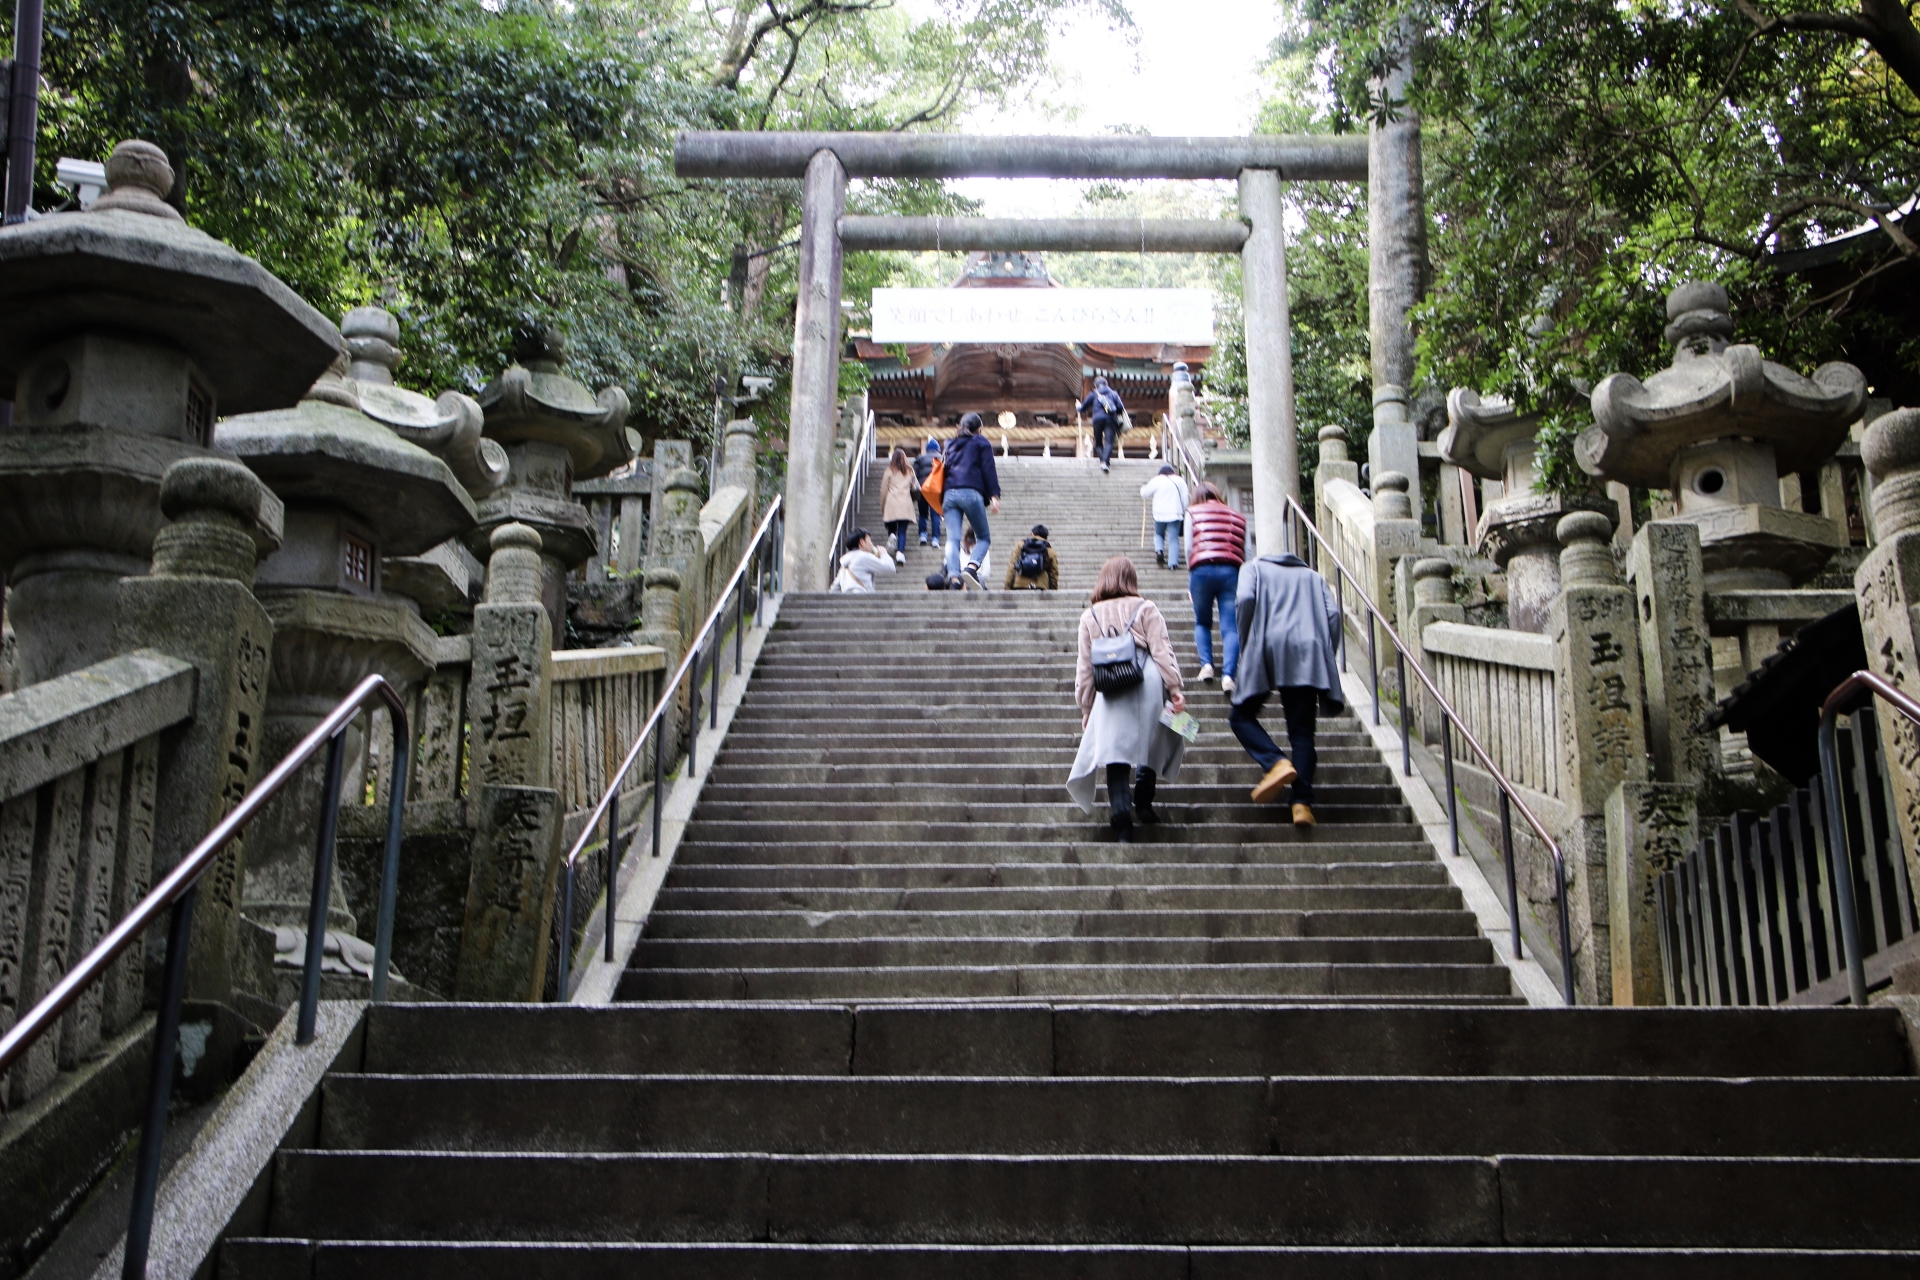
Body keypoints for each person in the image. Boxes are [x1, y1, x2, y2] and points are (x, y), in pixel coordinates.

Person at [1069, 556, 1187, 841]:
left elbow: (1085, 668)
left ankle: (1122, 821)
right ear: (1132, 580)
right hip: (1147, 679)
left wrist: (1086, 707)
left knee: (1114, 753)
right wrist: (1175, 689)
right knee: (1158, 736)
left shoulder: (1089, 616)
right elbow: (1162, 651)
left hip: (1110, 687)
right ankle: (1145, 801)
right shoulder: (1146, 608)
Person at [1229, 546, 1344, 826]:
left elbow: (1245, 598)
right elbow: (1334, 616)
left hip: (1267, 645)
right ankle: (1302, 805)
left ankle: (1276, 762)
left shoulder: (1252, 567)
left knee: (1240, 716)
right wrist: (1324, 653)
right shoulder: (1313, 577)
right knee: (1302, 733)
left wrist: (1246, 642)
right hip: (1308, 650)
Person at [1186, 482, 1248, 691]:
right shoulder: (1236, 515)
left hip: (1201, 570)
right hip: (1231, 571)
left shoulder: (1192, 512)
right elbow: (1245, 550)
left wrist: (1191, 575)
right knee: (1231, 627)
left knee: (1202, 622)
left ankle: (1207, 666)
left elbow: (1188, 548)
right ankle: (1229, 676)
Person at [941, 413, 1000, 588]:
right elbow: (989, 469)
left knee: (952, 539)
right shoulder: (981, 442)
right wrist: (994, 496)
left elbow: (943, 471)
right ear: (979, 429)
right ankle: (971, 568)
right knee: (983, 538)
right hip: (971, 492)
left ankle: (953, 578)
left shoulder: (950, 444)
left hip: (949, 494)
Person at [1139, 464, 1190, 569]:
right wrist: (1184, 511)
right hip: (1175, 514)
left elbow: (1144, 493)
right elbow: (1185, 499)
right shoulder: (1180, 481)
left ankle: (1159, 550)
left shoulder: (1157, 480)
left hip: (1159, 513)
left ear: (1160, 472)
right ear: (1172, 472)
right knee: (1173, 539)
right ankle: (1172, 564)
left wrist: (1143, 487)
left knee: (1159, 534)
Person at [1076, 376, 1126, 473]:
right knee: (1109, 442)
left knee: (1098, 442)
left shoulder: (1093, 393)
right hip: (1111, 419)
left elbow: (1083, 408)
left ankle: (1103, 460)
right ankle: (1105, 462)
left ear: (1095, 385)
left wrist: (1078, 406)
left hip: (1097, 420)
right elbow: (1120, 407)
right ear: (1106, 384)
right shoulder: (1113, 393)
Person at [878, 446, 918, 564]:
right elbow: (915, 487)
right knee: (902, 531)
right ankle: (900, 553)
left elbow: (883, 490)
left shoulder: (889, 471)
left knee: (891, 526)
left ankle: (891, 536)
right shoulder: (910, 471)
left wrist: (882, 505)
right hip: (905, 502)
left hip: (891, 502)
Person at [831, 528, 897, 593]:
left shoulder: (845, 563)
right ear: (862, 542)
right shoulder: (864, 556)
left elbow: (834, 589)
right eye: (869, 541)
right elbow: (890, 567)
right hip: (862, 597)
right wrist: (884, 554)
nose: (871, 544)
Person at [1005, 523, 1060, 590]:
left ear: (1032, 534)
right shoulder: (1050, 551)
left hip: (1019, 584)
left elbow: (1012, 566)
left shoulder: (1020, 545)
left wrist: (1007, 587)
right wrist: (1053, 590)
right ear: (1046, 538)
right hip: (1040, 586)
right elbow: (1053, 573)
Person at [912, 437, 944, 546]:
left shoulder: (920, 458)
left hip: (922, 489)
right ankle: (935, 538)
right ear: (938, 449)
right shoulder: (941, 458)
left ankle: (922, 535)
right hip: (936, 489)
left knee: (923, 514)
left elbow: (913, 474)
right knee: (935, 514)